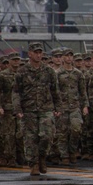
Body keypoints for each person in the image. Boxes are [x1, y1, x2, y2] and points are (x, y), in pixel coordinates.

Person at [13, 42, 60, 176]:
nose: (39, 55)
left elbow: (55, 90)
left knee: (47, 135)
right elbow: (16, 92)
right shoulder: (22, 71)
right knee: (30, 138)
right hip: (28, 109)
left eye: (40, 52)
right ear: (30, 54)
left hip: (46, 108)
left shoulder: (49, 71)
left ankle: (42, 157)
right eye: (36, 52)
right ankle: (33, 164)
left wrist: (58, 107)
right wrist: (18, 109)